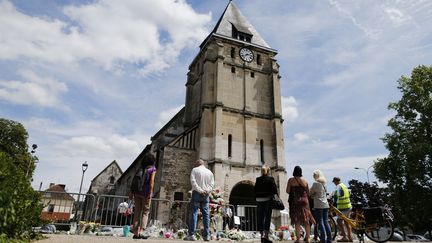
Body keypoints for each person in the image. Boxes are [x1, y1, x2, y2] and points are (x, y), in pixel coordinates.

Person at [184, 159, 215, 241]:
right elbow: (212, 184)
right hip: (206, 194)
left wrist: (200, 190)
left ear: (197, 164)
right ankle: (206, 235)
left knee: (194, 213)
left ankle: (191, 235)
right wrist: (206, 191)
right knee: (206, 215)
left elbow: (193, 182)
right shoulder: (209, 172)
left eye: (195, 164)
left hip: (197, 193)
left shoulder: (195, 170)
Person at [129, 153, 157, 239]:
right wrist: (151, 192)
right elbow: (151, 182)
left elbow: (134, 180)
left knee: (137, 212)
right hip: (146, 193)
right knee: (145, 212)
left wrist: (131, 192)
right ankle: (141, 231)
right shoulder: (153, 169)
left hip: (137, 192)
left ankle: (135, 232)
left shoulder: (140, 168)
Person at [286, 166, 316, 243]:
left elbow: (288, 191)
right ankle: (308, 238)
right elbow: (308, 193)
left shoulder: (291, 180)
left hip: (295, 202)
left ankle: (298, 239)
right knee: (306, 220)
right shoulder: (305, 181)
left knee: (297, 221)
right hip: (305, 202)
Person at [255, 165, 278, 243]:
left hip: (259, 200)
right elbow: (275, 190)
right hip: (267, 200)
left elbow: (255, 190)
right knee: (267, 217)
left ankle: (261, 236)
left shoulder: (258, 179)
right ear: (268, 171)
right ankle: (266, 236)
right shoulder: (270, 179)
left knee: (260, 217)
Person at [310, 170, 332, 243]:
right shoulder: (324, 183)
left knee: (320, 222)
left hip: (318, 205)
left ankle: (322, 239)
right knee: (326, 222)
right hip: (325, 204)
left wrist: (313, 195)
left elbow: (310, 193)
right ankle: (329, 239)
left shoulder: (315, 183)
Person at [332, 177, 352, 242]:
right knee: (347, 222)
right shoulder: (344, 186)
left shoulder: (338, 186)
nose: (334, 183)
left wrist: (332, 201)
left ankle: (345, 237)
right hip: (348, 206)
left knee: (339, 221)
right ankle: (350, 237)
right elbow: (349, 194)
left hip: (342, 207)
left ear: (336, 181)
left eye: (334, 182)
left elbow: (336, 196)